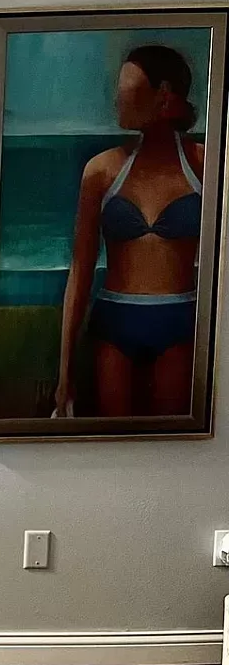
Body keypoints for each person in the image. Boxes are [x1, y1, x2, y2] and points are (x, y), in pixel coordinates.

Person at [55, 45, 203, 417]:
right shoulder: (101, 170)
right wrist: (64, 372)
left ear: (164, 94)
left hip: (181, 317)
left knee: (172, 443)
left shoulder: (206, 164)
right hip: (115, 320)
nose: (116, 99)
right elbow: (81, 269)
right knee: (112, 440)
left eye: (126, 89)